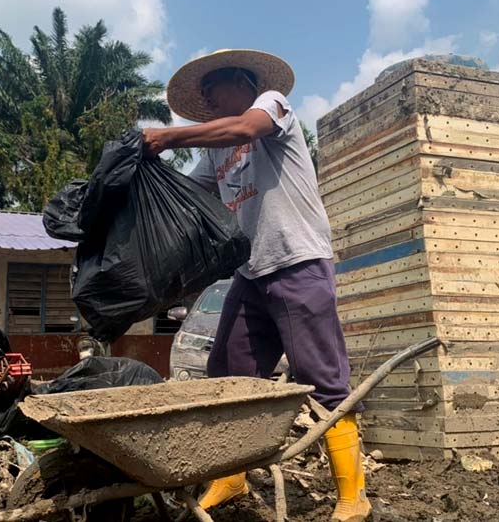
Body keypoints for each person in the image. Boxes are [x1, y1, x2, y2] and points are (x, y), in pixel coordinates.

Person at [143, 49, 371, 522]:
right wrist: (140, 180)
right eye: (203, 96)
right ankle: (233, 476)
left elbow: (246, 129)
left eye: (212, 89)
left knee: (323, 380)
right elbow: (189, 191)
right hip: (250, 274)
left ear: (242, 81)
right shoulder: (215, 149)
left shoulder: (271, 106)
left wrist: (167, 137)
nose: (208, 100)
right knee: (228, 374)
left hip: (297, 263)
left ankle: (354, 496)